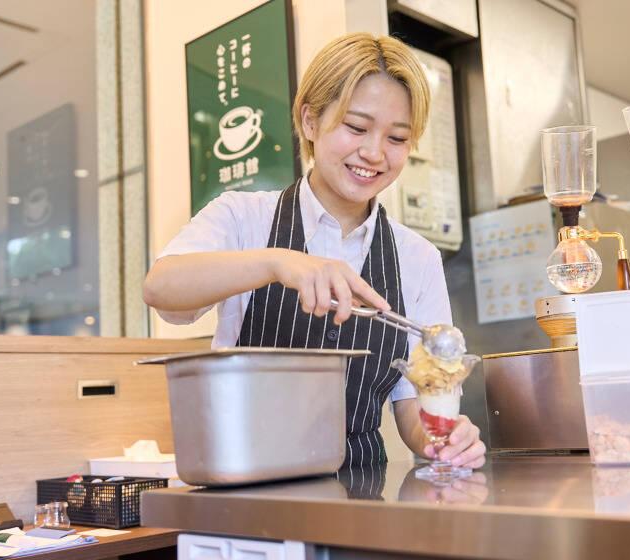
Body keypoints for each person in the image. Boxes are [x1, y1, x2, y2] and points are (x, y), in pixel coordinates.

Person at [144, 32, 486, 470]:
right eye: (356, 127)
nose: (374, 152)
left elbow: (412, 410)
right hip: (246, 493)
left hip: (361, 498)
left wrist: (445, 439)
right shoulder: (243, 217)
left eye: (397, 138)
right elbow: (161, 287)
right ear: (310, 121)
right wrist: (276, 262)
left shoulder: (416, 256)